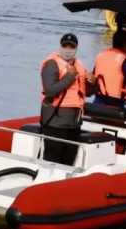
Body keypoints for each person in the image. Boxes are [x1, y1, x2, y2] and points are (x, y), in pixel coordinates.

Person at [40, 33, 95, 165]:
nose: (68, 49)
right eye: (65, 46)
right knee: (52, 160)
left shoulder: (79, 65)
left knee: (69, 161)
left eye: (71, 46)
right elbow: (49, 90)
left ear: (76, 48)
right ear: (60, 46)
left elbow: (87, 93)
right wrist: (69, 77)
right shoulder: (52, 63)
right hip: (55, 122)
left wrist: (92, 82)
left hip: (74, 123)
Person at [93, 30, 126, 108]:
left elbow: (94, 77)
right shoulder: (125, 60)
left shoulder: (101, 55)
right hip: (115, 106)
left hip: (97, 103)